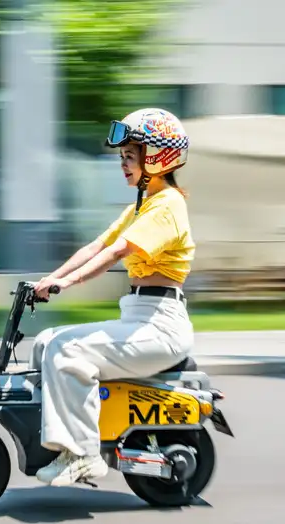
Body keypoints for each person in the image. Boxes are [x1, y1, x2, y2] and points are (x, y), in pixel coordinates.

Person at [29, 108, 196, 487]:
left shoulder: (168, 205)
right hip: (140, 317)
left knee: (67, 351)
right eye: (122, 156)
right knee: (46, 342)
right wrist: (50, 278)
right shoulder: (143, 205)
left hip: (160, 326)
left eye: (130, 156)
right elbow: (96, 246)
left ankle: (84, 455)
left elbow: (118, 251)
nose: (123, 164)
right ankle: (59, 441)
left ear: (157, 157)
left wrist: (66, 284)